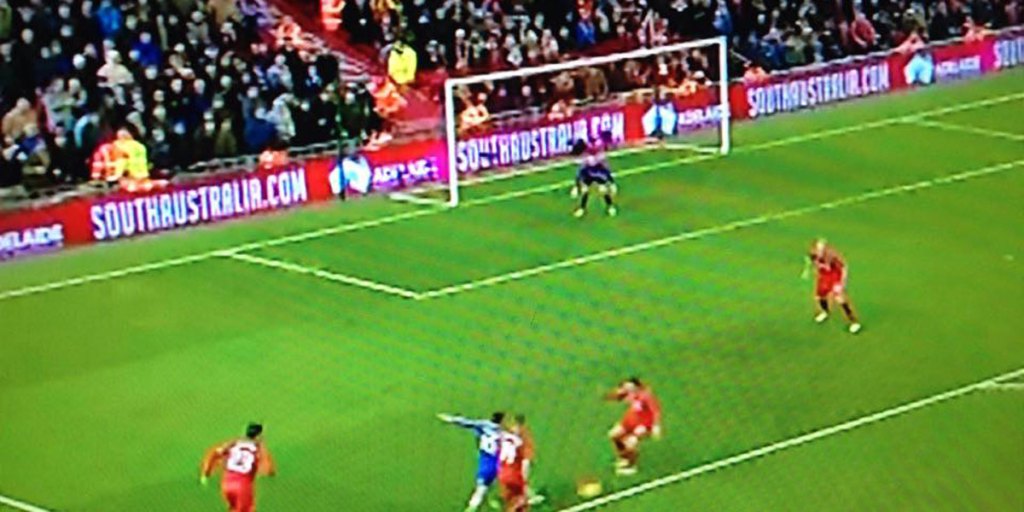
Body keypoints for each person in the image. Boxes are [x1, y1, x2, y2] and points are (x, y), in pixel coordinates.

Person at [200, 422, 276, 512]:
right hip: (243, 486)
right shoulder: (258, 449)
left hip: (226, 484)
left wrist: (206, 473)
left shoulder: (233, 443)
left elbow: (214, 454)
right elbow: (269, 471)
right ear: (259, 436)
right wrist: (263, 448)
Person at [437, 412, 505, 512]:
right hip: (498, 463)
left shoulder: (483, 425)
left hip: (486, 463)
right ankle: (491, 502)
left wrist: (450, 419)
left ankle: (471, 508)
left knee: (480, 489)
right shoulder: (503, 432)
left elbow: (466, 422)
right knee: (490, 485)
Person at [605, 378, 661, 475]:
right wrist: (611, 396)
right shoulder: (630, 393)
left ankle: (631, 466)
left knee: (630, 443)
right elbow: (618, 397)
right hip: (629, 420)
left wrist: (656, 426)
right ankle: (624, 458)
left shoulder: (646, 396)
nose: (627, 389)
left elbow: (655, 411)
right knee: (613, 435)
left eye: (629, 387)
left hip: (642, 424)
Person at [805, 239, 862, 333]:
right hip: (824, 276)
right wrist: (815, 272)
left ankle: (854, 322)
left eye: (818, 250)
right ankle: (825, 312)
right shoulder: (813, 255)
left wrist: (842, 283)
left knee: (840, 299)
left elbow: (843, 268)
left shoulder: (832, 256)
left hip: (835, 275)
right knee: (820, 296)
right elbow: (814, 264)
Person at [571, 131, 617, 218]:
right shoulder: (586, 154)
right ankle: (582, 208)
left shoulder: (599, 153)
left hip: (598, 173)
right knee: (585, 190)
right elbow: (581, 170)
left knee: (603, 190)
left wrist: (612, 182)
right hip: (588, 173)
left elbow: (605, 168)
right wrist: (576, 186)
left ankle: (610, 206)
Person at [498, 417, 532, 512]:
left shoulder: (504, 439)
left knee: (510, 500)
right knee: (522, 501)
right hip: (514, 476)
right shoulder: (522, 442)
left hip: (502, 474)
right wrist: (524, 481)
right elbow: (526, 462)